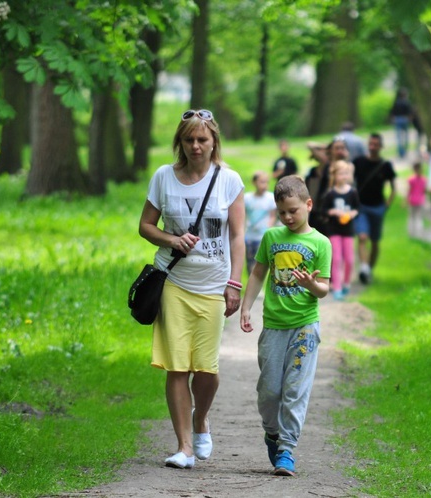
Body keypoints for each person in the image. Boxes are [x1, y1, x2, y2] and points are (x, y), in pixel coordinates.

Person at [138, 109, 245, 469]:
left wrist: (234, 284)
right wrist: (172, 238)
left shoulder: (229, 180)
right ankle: (184, 446)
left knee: (207, 370)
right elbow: (145, 226)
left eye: (202, 139)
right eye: (189, 139)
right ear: (180, 143)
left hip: (214, 285)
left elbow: (238, 236)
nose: (196, 146)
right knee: (177, 367)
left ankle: (201, 419)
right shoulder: (163, 177)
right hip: (175, 282)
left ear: (214, 141)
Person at [239, 175, 332, 477]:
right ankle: (272, 432)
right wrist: (246, 306)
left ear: (308, 204)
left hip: (305, 326)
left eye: (293, 210)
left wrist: (311, 284)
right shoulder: (271, 238)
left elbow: (324, 290)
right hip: (275, 326)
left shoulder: (320, 243)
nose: (288, 217)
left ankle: (287, 449)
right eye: (282, 212)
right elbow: (257, 274)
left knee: (295, 389)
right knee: (269, 391)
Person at [352, 133, 396, 284]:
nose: (372, 147)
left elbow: (393, 187)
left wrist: (387, 204)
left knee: (375, 241)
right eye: (370, 144)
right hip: (362, 207)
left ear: (381, 146)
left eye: (375, 144)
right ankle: (364, 267)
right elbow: (349, 180)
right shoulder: (358, 162)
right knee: (363, 237)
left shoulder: (385, 166)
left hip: (378, 207)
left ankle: (369, 269)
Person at [322, 160, 360, 300]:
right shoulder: (330, 194)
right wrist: (334, 212)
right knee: (336, 259)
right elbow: (324, 210)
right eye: (340, 174)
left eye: (345, 173)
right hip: (334, 230)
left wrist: (352, 214)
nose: (343, 176)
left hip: (348, 230)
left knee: (349, 259)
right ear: (334, 175)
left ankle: (346, 283)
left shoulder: (353, 192)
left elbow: (357, 209)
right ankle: (336, 287)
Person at [306, 137, 350, 235]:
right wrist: (327, 147)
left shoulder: (348, 166)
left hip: (340, 209)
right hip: (322, 210)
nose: (339, 151)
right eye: (337, 148)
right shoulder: (327, 164)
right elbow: (309, 144)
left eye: (342, 148)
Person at [244, 171, 277, 274]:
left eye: (266, 182)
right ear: (254, 182)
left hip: (262, 236)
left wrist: (268, 228)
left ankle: (259, 287)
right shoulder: (247, 198)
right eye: (262, 182)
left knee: (260, 263)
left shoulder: (270, 198)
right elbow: (243, 215)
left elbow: (273, 215)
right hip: (249, 235)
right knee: (250, 261)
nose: (265, 185)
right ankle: (251, 281)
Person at [389, 88, 413, 158]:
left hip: (397, 119)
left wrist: (393, 119)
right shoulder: (407, 102)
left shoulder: (396, 102)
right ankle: (405, 151)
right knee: (406, 137)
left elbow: (392, 112)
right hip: (405, 119)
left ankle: (400, 152)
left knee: (399, 137)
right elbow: (410, 112)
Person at [406, 162, 427, 239]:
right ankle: (419, 234)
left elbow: (409, 190)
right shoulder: (424, 179)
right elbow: (424, 191)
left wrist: (406, 199)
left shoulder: (411, 179)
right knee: (419, 217)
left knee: (411, 217)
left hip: (412, 200)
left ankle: (411, 234)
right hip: (420, 200)